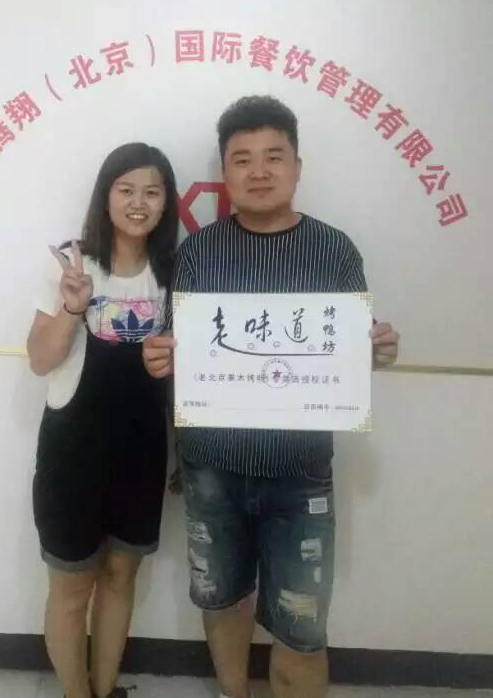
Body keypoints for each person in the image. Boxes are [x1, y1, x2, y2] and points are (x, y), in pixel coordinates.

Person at [143, 96, 400, 698]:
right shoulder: (198, 252)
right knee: (222, 600)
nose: (258, 171)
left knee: (303, 630)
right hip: (211, 467)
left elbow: (347, 350)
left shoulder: (335, 250)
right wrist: (160, 357)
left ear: (297, 167)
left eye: (273, 157)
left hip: (300, 473)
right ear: (225, 173)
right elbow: (179, 348)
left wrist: (374, 352)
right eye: (242, 159)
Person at [27, 142, 179, 698]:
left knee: (120, 576)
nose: (139, 202)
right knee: (72, 590)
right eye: (126, 189)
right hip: (72, 455)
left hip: (142, 453)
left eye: (152, 192)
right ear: (106, 195)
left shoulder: (174, 273)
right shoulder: (72, 264)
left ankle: (106, 687)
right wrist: (73, 307)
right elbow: (40, 359)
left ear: (167, 203)